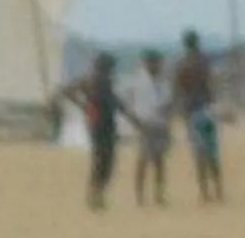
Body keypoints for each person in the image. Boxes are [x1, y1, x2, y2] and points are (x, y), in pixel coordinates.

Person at [53, 52, 123, 211]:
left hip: (108, 124)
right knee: (101, 159)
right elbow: (67, 91)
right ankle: (95, 194)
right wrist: (84, 106)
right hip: (97, 124)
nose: (110, 70)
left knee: (107, 161)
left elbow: (116, 102)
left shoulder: (106, 82)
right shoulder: (90, 80)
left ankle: (99, 193)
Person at [172, 29, 225, 203]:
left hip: (192, 112)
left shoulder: (182, 65)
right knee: (212, 153)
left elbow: (177, 90)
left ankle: (205, 192)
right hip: (206, 109)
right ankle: (218, 190)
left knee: (200, 155)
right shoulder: (204, 62)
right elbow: (211, 85)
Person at [119, 48, 176, 206]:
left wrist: (169, 116)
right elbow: (123, 102)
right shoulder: (136, 80)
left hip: (161, 124)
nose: (155, 65)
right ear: (146, 63)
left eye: (158, 62)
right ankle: (140, 197)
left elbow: (170, 102)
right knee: (142, 161)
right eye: (152, 62)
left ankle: (159, 195)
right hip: (144, 125)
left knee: (159, 162)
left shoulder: (164, 81)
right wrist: (134, 121)